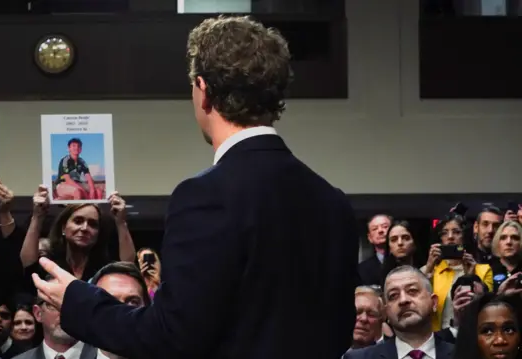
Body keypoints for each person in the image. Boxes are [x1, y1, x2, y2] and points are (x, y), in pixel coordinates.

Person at [32, 15, 359, 359]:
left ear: (203, 91)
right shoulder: (332, 202)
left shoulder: (206, 196)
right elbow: (338, 333)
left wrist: (80, 302)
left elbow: (172, 338)